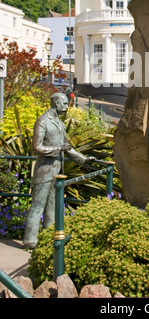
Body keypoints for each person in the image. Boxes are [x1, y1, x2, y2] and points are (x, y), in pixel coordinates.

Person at [23, 92, 95, 249]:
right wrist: (58, 148)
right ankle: (30, 240)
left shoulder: (60, 124)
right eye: (64, 104)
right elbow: (37, 147)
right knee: (38, 206)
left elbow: (67, 147)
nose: (66, 106)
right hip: (44, 170)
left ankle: (48, 238)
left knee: (52, 207)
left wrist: (83, 159)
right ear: (55, 104)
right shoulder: (42, 121)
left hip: (57, 171)